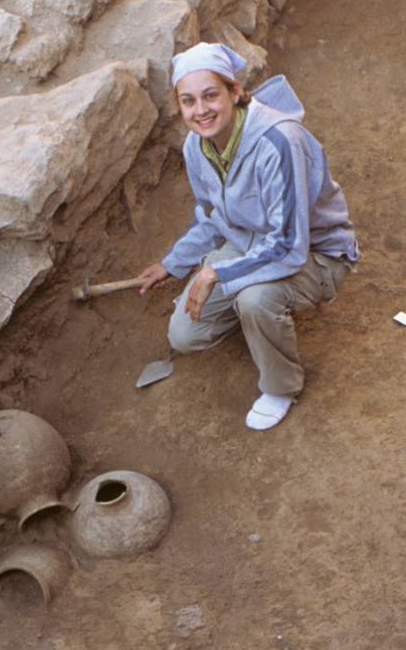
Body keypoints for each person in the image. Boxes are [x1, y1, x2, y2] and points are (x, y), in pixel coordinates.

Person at [135, 42, 360, 431]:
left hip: (315, 255)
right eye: (188, 101)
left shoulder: (279, 142)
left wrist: (215, 275)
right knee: (185, 335)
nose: (200, 110)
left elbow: (290, 245)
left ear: (235, 92)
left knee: (256, 299)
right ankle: (254, 316)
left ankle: (280, 387)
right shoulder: (196, 146)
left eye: (210, 95)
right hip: (249, 245)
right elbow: (210, 217)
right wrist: (174, 263)